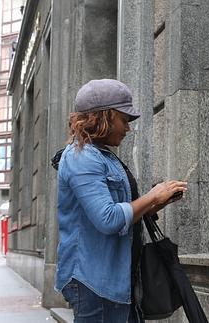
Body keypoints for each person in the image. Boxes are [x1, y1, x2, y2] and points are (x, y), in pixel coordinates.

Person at [55, 79, 187, 322]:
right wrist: (151, 196)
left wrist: (156, 204)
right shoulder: (81, 158)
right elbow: (108, 219)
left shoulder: (105, 157)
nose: (128, 128)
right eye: (124, 120)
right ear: (103, 117)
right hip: (95, 282)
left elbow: (118, 210)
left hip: (117, 277)